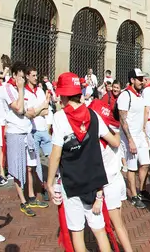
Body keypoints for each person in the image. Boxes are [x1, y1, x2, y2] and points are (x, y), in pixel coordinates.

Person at [48, 72, 120, 252]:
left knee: (77, 233)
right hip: (95, 185)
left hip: (71, 183)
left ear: (64, 95)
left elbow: (55, 154)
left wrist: (49, 183)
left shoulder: (59, 118)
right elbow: (114, 141)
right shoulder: (94, 115)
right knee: (100, 232)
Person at [89, 88, 134, 252]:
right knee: (117, 224)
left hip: (108, 185)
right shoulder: (114, 133)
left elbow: (97, 170)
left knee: (117, 225)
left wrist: (99, 195)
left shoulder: (98, 142)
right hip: (117, 182)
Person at [5, 62, 48, 217]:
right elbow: (20, 109)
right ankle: (23, 201)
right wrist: (21, 89)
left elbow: (30, 113)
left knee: (31, 166)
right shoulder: (9, 89)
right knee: (17, 169)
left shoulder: (25, 91)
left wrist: (35, 110)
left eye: (24, 77)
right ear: (15, 75)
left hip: (27, 132)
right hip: (15, 133)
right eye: (21, 77)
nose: (23, 80)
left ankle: (31, 197)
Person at [117, 68, 150, 209]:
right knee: (132, 167)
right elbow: (122, 119)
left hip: (140, 136)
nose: (141, 81)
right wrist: (130, 140)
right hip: (130, 137)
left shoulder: (140, 95)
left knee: (145, 163)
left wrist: (143, 131)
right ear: (132, 80)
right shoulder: (125, 95)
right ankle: (133, 195)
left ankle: (143, 190)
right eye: (139, 79)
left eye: (142, 78)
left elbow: (141, 115)